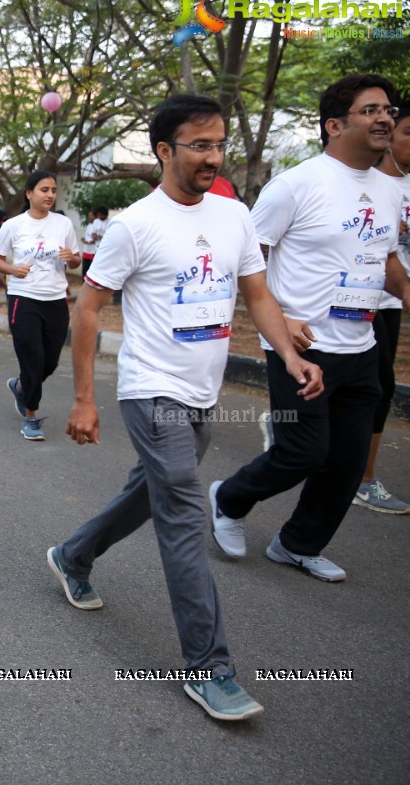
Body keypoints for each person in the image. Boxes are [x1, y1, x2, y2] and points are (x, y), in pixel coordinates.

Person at [51, 94, 323, 722]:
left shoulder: (234, 217)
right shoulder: (134, 225)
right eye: (199, 145)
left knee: (153, 491)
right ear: (165, 151)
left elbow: (256, 296)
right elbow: (88, 308)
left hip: (203, 391)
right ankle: (210, 667)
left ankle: (74, 554)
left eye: (219, 144)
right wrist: (86, 398)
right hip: (152, 390)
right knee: (181, 509)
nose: (212, 156)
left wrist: (287, 355)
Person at [209, 74, 410, 581]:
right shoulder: (297, 184)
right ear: (334, 125)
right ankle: (229, 499)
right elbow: (245, 258)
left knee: (345, 462)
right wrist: (282, 316)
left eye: (388, 109)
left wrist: (406, 290)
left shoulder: (389, 190)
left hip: (361, 344)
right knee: (302, 451)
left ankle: (298, 543)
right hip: (301, 346)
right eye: (371, 110)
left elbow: (385, 257)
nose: (385, 117)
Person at [0, 170, 80, 440]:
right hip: (23, 297)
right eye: (44, 190)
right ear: (29, 193)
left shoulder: (63, 224)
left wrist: (71, 258)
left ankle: (20, 386)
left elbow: (76, 259)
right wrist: (13, 269)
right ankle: (31, 417)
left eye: (53, 190)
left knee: (50, 361)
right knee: (33, 358)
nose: (50, 195)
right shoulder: (13, 225)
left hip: (55, 299)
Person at [354, 102, 410, 513]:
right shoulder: (370, 184)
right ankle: (360, 477)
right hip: (356, 297)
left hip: (392, 299)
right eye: (408, 132)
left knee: (379, 386)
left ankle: (362, 475)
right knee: (368, 385)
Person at [81, 206, 107, 279]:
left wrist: (89, 241)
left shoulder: (98, 225)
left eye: (91, 215)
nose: (90, 217)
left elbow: (95, 239)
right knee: (84, 271)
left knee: (91, 272)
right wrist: (84, 240)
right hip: (86, 250)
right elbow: (90, 236)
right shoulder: (89, 225)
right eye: (89, 216)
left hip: (93, 251)